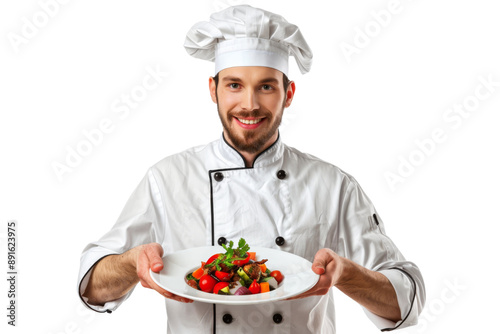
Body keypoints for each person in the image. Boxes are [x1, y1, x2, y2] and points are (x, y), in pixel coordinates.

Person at [77, 5, 425, 333]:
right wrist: (131, 262)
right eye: (234, 85)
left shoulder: (333, 184)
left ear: (288, 94)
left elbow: (406, 302)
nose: (250, 104)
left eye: (266, 87)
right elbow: (92, 289)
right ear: (213, 90)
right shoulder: (167, 178)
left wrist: (346, 273)